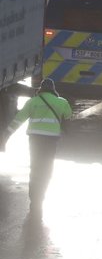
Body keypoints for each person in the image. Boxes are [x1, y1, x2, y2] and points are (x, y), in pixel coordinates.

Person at [2, 78, 72, 219]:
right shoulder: (62, 102)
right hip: (51, 140)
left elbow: (18, 120)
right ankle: (41, 196)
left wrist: (6, 134)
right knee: (47, 168)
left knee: (35, 168)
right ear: (53, 89)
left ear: (40, 89)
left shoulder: (32, 102)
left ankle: (34, 199)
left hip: (35, 140)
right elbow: (69, 116)